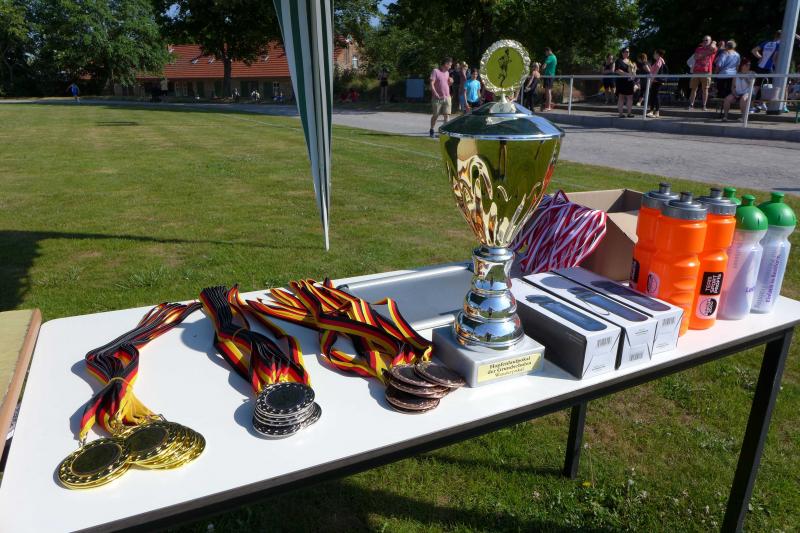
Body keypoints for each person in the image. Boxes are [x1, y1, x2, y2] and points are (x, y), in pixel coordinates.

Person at [688, 35, 717, 110]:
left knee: (705, 89)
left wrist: (713, 43)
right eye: (703, 40)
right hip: (696, 71)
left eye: (706, 40)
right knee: (693, 89)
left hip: (706, 72)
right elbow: (696, 57)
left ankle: (704, 105)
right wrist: (707, 53)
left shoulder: (713, 48)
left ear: (710, 41)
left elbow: (713, 48)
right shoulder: (698, 48)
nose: (704, 41)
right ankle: (691, 105)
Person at [429, 57, 453, 137]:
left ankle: (445, 132)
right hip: (437, 98)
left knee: (447, 115)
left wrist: (450, 82)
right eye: (449, 65)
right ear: (445, 64)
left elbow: (446, 84)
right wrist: (435, 93)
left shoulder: (447, 73)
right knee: (435, 115)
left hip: (447, 97)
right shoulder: (435, 71)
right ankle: (432, 129)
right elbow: (432, 83)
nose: (450, 67)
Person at [614, 48, 636, 117]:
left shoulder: (630, 61)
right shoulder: (619, 60)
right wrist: (628, 74)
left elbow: (633, 71)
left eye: (628, 51)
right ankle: (620, 114)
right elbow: (617, 70)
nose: (627, 53)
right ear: (622, 53)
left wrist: (633, 73)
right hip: (621, 81)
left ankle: (629, 113)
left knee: (630, 97)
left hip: (630, 82)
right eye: (626, 51)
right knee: (621, 97)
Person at [646, 49, 667, 118]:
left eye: (654, 53)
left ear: (658, 54)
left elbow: (656, 71)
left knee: (655, 96)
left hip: (656, 81)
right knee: (653, 96)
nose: (653, 55)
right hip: (655, 81)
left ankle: (656, 112)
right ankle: (652, 111)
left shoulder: (660, 60)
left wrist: (651, 81)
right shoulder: (658, 61)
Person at [542, 47, 557, 111]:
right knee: (548, 91)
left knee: (548, 91)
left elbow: (544, 66)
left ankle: (548, 107)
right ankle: (548, 105)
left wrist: (542, 67)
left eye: (546, 52)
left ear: (548, 51)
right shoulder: (555, 57)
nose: (545, 54)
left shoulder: (550, 57)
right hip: (551, 75)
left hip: (548, 75)